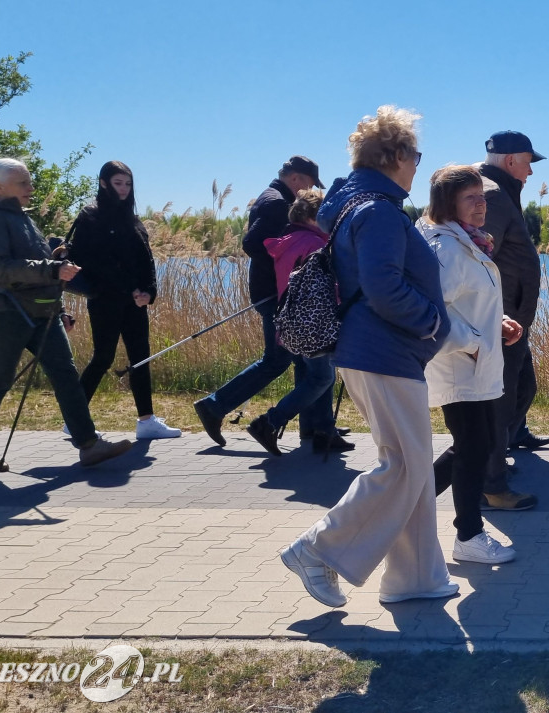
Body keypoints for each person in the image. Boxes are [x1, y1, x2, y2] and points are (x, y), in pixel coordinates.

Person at [280, 106, 456, 608]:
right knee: (403, 466)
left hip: (380, 353)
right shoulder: (377, 210)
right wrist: (432, 322)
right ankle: (317, 549)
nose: (419, 164)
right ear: (396, 155)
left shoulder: (358, 204)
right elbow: (383, 286)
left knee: (412, 467)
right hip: (385, 352)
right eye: (416, 155)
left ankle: (416, 577)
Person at [0, 158, 133, 470]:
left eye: (29, 182)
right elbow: (1, 268)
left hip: (42, 313)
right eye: (23, 183)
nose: (31, 189)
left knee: (66, 375)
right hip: (6, 311)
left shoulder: (23, 218)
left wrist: (60, 309)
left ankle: (88, 445)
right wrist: (54, 268)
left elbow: (47, 271)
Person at [193, 156, 352, 452]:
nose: (308, 189)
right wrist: (292, 269)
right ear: (296, 178)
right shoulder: (275, 203)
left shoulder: (275, 199)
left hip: (284, 295)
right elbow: (252, 244)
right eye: (309, 182)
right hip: (281, 297)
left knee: (306, 363)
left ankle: (318, 426)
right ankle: (216, 407)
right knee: (284, 361)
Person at [417, 165, 522, 564]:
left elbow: (467, 302)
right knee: (474, 446)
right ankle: (469, 535)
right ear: (448, 203)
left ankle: (408, 507)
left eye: (483, 197)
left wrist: (496, 324)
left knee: (474, 445)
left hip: (472, 361)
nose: (481, 205)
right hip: (458, 364)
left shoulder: (467, 241)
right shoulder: (445, 247)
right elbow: (431, 312)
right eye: (471, 198)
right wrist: (476, 342)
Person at [65, 161, 180, 439]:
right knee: (102, 358)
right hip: (105, 300)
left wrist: (148, 293)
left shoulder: (133, 219)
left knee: (141, 358)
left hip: (135, 302)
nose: (124, 189)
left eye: (128, 184)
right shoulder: (90, 216)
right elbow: (87, 261)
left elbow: (146, 261)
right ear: (103, 183)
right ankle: (73, 421)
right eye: (118, 183)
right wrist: (124, 287)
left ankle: (146, 421)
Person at [245, 189, 345, 456]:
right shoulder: (314, 245)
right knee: (322, 377)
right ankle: (270, 421)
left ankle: (325, 430)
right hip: (315, 323)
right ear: (314, 217)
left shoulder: (290, 241)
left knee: (318, 375)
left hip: (294, 322)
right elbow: (325, 286)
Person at [479, 130, 548, 512]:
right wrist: (498, 315)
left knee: (520, 390)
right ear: (509, 161)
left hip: (509, 320)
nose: (531, 173)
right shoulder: (490, 194)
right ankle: (490, 483)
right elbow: (478, 257)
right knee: (501, 400)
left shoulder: (498, 190)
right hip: (499, 322)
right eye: (527, 163)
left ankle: (488, 466)